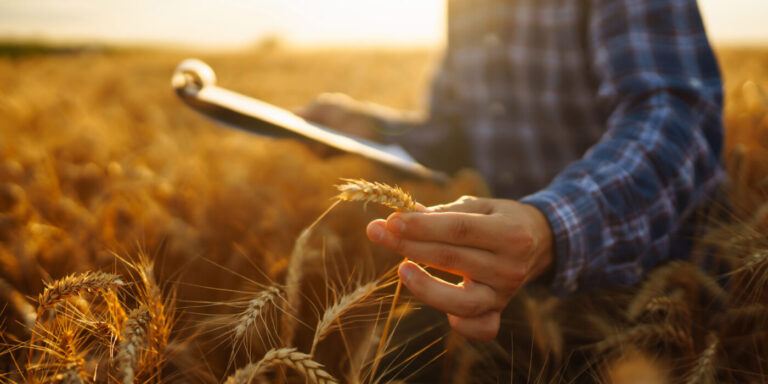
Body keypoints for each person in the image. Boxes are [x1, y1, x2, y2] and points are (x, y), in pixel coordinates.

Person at [299, 0, 723, 342]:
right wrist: (366, 128)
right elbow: (456, 131)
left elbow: (675, 119)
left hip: (667, 299)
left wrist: (552, 227)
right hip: (521, 299)